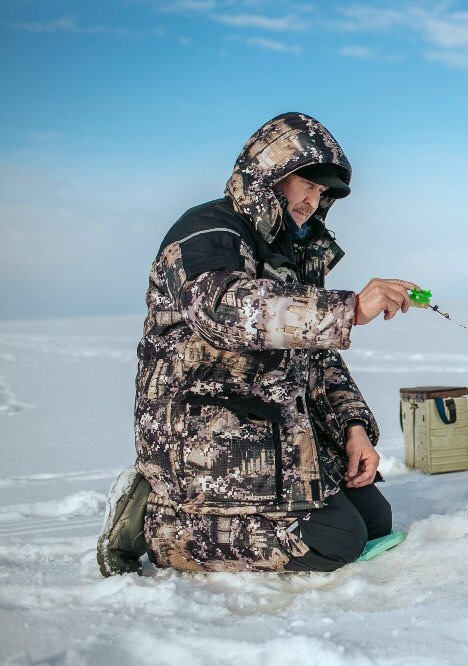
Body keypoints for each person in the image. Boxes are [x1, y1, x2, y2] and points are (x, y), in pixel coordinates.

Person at [97, 112, 415, 575]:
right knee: (335, 542)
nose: (312, 200)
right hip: (207, 430)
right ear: (270, 176)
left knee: (375, 519)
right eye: (306, 184)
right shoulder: (208, 230)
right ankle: (155, 523)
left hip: (275, 429)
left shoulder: (290, 249)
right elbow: (224, 309)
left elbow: (315, 354)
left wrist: (352, 426)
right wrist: (347, 308)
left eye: (322, 193)